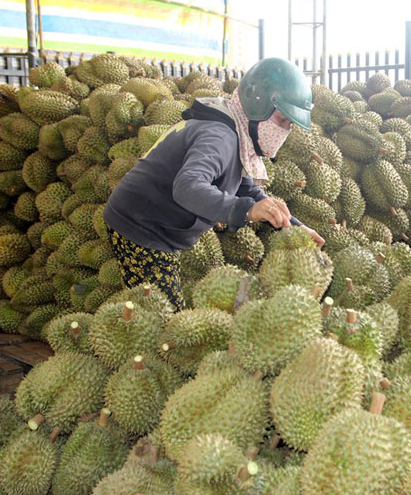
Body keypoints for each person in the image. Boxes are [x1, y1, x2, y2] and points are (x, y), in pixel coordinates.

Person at [103, 57, 325, 311]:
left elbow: (244, 186)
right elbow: (187, 186)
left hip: (155, 223)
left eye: (289, 125)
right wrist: (246, 211)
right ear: (258, 105)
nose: (284, 131)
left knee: (163, 308)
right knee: (163, 316)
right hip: (140, 227)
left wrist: (294, 227)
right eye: (281, 120)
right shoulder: (220, 137)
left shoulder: (235, 129)